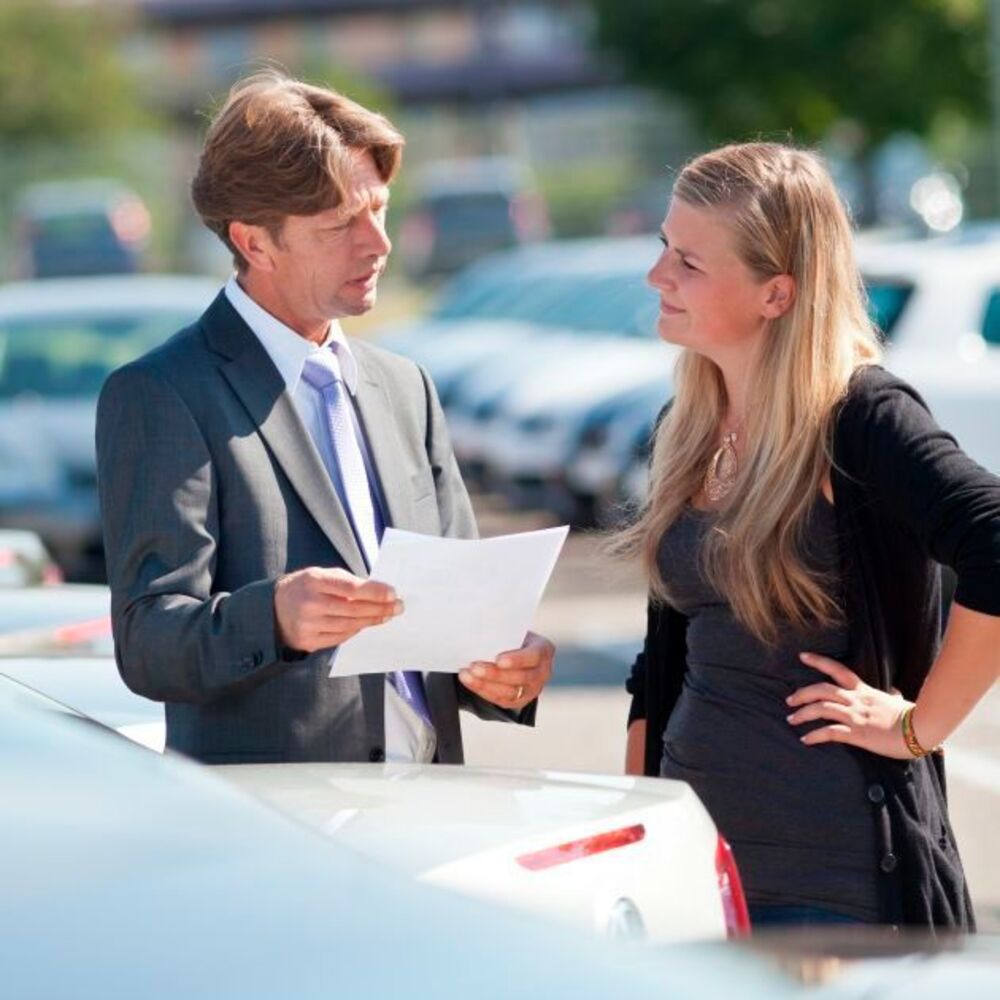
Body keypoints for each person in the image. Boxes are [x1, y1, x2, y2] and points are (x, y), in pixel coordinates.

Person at [96, 71, 554, 765]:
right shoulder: (163, 393)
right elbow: (148, 645)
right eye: (343, 223)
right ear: (255, 243)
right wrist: (273, 617)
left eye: (381, 209)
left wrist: (505, 673)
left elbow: (462, 622)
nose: (379, 243)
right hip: (281, 837)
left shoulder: (407, 388)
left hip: (434, 810)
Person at [618, 142, 1000, 929]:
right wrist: (636, 822)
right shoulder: (685, 427)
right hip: (695, 878)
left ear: (776, 294)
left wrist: (916, 726)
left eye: (689, 261)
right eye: (664, 246)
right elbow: (664, 658)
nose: (659, 276)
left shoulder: (859, 419)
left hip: (828, 894)